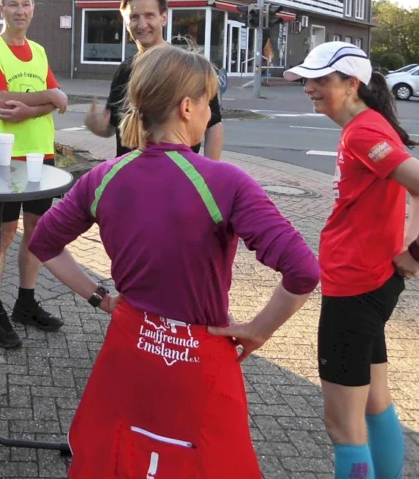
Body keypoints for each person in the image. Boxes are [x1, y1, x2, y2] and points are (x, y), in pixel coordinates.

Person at [28, 44, 320, 478]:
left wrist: (100, 298)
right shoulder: (226, 181)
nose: (210, 114)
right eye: (208, 102)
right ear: (187, 107)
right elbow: (304, 270)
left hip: (129, 347)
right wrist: (259, 329)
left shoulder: (104, 176)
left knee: (119, 460)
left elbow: (43, 242)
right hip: (198, 358)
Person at [284, 42, 419, 479]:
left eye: (321, 80)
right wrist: (405, 246)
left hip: (355, 288)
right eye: (307, 79)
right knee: (376, 402)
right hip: (371, 283)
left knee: (343, 428)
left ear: (352, 83)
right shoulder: (371, 126)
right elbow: (418, 192)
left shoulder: (363, 132)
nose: (309, 88)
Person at [0, 0, 68, 349]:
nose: (20, 11)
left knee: (37, 232)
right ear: (2, 9)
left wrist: (33, 107)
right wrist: (48, 96)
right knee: (3, 234)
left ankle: (25, 302)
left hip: (41, 154)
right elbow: (2, 99)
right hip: (6, 157)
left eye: (26, 5)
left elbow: (57, 105)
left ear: (33, 10)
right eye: (13, 5)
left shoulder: (40, 51)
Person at [85, 0, 223, 159]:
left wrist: (209, 174)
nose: (142, 24)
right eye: (134, 17)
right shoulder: (125, 71)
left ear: (163, 18)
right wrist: (97, 126)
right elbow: (113, 127)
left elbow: (213, 125)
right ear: (126, 22)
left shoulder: (187, 68)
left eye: (149, 15)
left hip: (178, 175)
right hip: (132, 176)